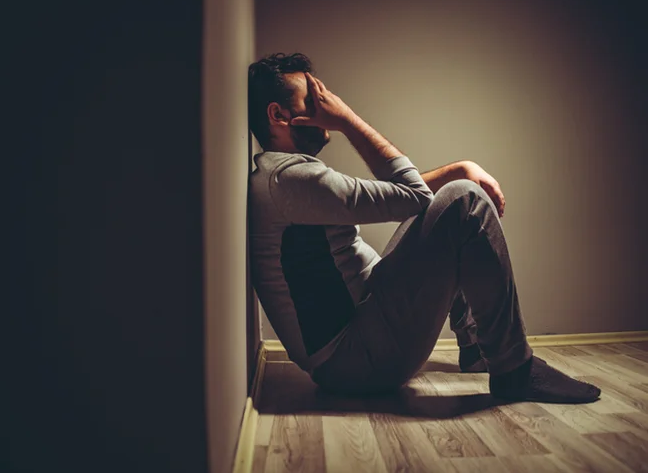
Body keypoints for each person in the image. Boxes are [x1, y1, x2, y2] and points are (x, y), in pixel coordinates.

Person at [248, 52, 600, 403]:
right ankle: (514, 370)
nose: (327, 104)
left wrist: (458, 168)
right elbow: (413, 195)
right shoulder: (291, 179)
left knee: (448, 208)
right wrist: (347, 120)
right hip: (353, 362)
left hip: (361, 332)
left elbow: (400, 198)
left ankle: (476, 348)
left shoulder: (286, 176)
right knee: (464, 202)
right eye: (312, 99)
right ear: (278, 115)